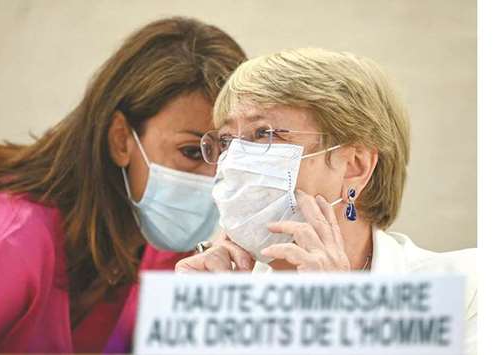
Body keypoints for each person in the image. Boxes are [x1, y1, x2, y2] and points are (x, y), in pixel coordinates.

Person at [0, 17, 246, 353]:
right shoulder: (14, 240)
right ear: (120, 140)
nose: (212, 178)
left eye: (229, 151)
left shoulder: (157, 246)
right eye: (191, 152)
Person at [175, 48, 477, 354]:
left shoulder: (469, 286)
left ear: (355, 166)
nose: (234, 160)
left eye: (264, 133)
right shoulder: (225, 300)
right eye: (226, 140)